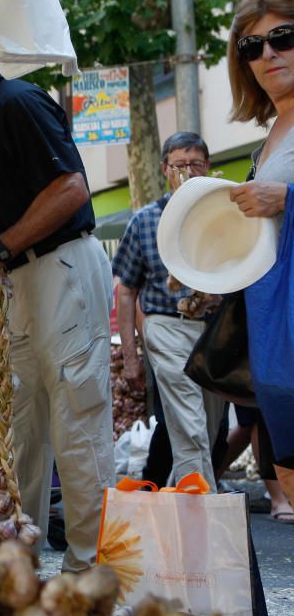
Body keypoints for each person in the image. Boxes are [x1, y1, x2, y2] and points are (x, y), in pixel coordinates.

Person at [0, 7, 115, 571]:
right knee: (20, 430)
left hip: (58, 270)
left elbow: (70, 189)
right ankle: (21, 562)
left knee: (77, 427)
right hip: (28, 281)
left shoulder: (17, 102)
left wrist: (1, 249)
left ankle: (91, 572)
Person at [112, 132, 225, 489]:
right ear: (164, 169)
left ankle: (184, 500)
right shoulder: (144, 220)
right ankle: (205, 506)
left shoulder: (224, 216)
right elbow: (126, 290)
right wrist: (131, 356)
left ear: (207, 167)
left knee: (208, 427)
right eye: (179, 165)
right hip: (165, 326)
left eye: (196, 164)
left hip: (215, 330)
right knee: (190, 424)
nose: (188, 173)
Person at [226, 0, 294, 501]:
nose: (266, 54)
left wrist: (289, 198)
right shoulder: (269, 136)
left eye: (282, 38)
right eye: (251, 47)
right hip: (274, 334)